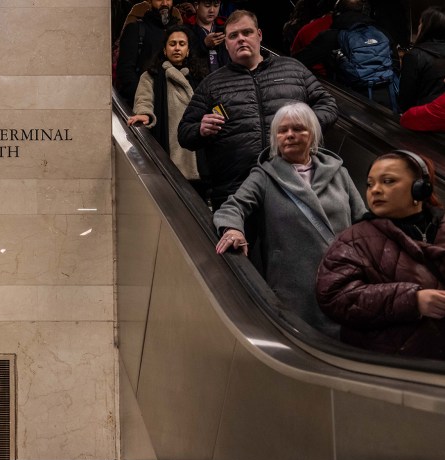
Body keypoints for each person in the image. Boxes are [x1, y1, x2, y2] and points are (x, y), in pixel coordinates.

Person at [213, 102, 366, 337]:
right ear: (275, 138)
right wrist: (233, 229)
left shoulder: (339, 173)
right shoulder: (264, 176)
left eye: (298, 129)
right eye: (282, 131)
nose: (290, 135)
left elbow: (362, 221)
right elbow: (234, 206)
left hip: (343, 280)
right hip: (292, 286)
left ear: (313, 134)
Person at [178, 10, 338, 209]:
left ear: (259, 35)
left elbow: (328, 104)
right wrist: (199, 129)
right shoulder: (211, 84)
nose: (241, 39)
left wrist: (305, 125)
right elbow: (184, 132)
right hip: (235, 194)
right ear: (226, 43)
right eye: (233, 36)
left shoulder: (292, 69)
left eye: (247, 32)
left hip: (293, 184)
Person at [316, 151, 445, 359]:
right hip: (388, 369)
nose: (375, 190)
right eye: (370, 184)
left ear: (420, 188)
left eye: (388, 181)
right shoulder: (354, 240)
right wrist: (412, 300)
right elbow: (335, 296)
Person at [128, 25, 206, 182]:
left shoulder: (199, 78)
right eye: (172, 44)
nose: (177, 48)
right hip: (168, 147)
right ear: (164, 50)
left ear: (188, 50)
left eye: (182, 44)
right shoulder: (151, 76)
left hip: (196, 151)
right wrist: (144, 114)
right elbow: (144, 99)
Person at [293, 0, 398, 111]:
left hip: (350, 99)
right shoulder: (382, 33)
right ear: (365, 12)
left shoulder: (331, 36)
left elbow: (299, 61)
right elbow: (395, 64)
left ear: (337, 13)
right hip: (387, 96)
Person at [116, 0, 183, 101]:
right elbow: (126, 72)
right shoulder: (136, 29)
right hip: (143, 103)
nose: (165, 3)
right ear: (150, 1)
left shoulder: (181, 32)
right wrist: (144, 100)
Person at [398, 6, 445, 132]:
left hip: (422, 124)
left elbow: (405, 100)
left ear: (427, 27)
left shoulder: (415, 56)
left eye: (420, 23)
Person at [186, 0, 229, 73]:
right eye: (207, 5)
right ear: (196, 5)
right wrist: (204, 45)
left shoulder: (226, 28)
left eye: (216, 5)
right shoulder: (186, 30)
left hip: (224, 78)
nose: (212, 10)